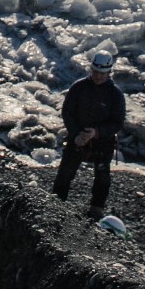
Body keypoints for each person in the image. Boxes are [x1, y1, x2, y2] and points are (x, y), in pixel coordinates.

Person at [52, 48, 126, 214]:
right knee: (65, 172)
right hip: (77, 137)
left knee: (102, 176)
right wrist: (76, 134)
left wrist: (97, 132)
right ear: (91, 69)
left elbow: (117, 122)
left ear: (109, 73)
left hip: (102, 142)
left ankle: (96, 209)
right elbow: (67, 112)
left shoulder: (115, 95)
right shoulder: (78, 88)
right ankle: (55, 204)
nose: (99, 76)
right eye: (96, 72)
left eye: (102, 73)